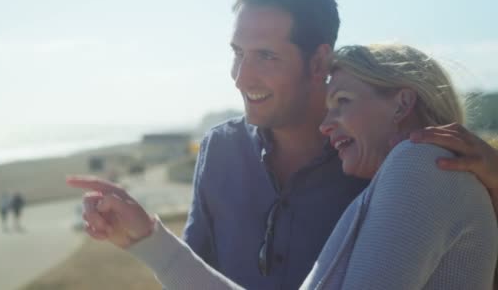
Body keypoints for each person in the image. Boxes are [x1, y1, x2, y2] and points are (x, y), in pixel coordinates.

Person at [68, 44, 498, 289]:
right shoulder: (402, 184)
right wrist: (148, 241)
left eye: (342, 103)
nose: (326, 125)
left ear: (402, 102)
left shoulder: (420, 163)